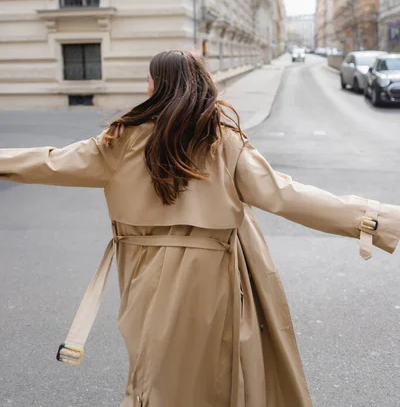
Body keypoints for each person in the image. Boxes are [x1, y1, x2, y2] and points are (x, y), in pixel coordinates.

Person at [1, 49, 400, 407]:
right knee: (208, 377)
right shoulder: (222, 140)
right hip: (213, 277)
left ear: (157, 85)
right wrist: (371, 218)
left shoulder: (120, 140)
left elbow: (50, 161)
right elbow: (286, 195)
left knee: (153, 374)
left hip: (143, 271)